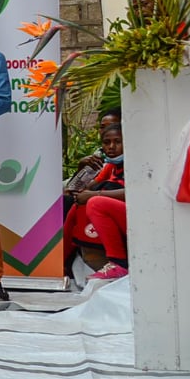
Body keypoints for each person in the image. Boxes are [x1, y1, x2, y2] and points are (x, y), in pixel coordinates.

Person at [64, 113, 127, 280]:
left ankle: (118, 263)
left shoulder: (136, 162)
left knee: (95, 203)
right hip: (113, 215)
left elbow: (137, 192)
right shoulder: (109, 165)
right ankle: (62, 263)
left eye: (117, 141)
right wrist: (82, 168)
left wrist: (94, 195)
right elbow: (74, 190)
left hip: (136, 216)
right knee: (72, 204)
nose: (111, 147)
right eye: (107, 142)